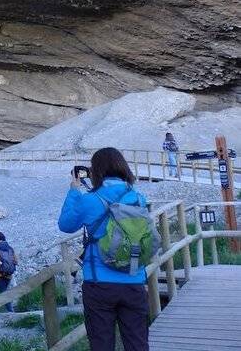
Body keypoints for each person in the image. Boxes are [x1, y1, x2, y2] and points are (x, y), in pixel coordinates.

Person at [58, 147, 150, 351]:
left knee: (102, 344)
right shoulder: (138, 198)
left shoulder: (90, 200)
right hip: (134, 279)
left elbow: (65, 224)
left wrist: (74, 190)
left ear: (96, 171)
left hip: (99, 283)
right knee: (138, 343)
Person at [0, 231, 17, 312]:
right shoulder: (9, 247)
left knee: (3, 294)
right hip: (8, 274)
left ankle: (11, 312)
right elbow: (16, 261)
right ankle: (11, 309)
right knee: (6, 292)